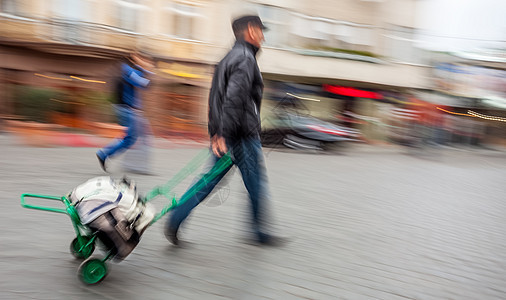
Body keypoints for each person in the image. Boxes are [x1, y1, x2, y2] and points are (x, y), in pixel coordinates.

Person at [165, 14, 284, 246]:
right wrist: (224, 134)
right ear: (251, 30)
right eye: (261, 31)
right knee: (256, 184)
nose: (263, 38)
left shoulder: (228, 58)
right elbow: (234, 99)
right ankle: (259, 232)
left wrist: (217, 133)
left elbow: (214, 100)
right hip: (241, 135)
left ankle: (175, 219)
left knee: (208, 181)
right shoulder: (245, 58)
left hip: (227, 134)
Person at [96, 51, 154, 172]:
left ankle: (131, 164)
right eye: (142, 59)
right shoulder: (128, 70)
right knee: (130, 138)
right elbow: (145, 83)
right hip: (126, 109)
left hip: (128, 108)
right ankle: (104, 154)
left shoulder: (129, 70)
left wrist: (144, 68)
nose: (145, 62)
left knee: (134, 137)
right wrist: (147, 68)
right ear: (134, 59)